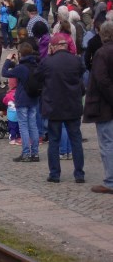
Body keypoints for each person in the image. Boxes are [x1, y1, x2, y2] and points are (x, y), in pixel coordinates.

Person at [36, 33, 86, 184]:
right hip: (72, 105)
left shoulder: (47, 62)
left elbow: (38, 77)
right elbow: (81, 74)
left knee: (54, 141)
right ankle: (79, 174)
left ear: (53, 46)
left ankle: (55, 174)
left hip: (54, 106)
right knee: (76, 140)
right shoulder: (76, 60)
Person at [83, 21, 113, 194]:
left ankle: (110, 181)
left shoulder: (102, 53)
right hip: (106, 105)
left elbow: (102, 80)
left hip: (104, 106)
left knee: (107, 144)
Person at [2, 43, 41, 162]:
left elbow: (5, 73)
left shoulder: (21, 68)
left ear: (20, 54)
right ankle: (35, 153)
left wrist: (8, 60)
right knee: (33, 126)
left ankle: (26, 153)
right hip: (33, 99)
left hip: (23, 100)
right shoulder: (36, 65)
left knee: (23, 126)